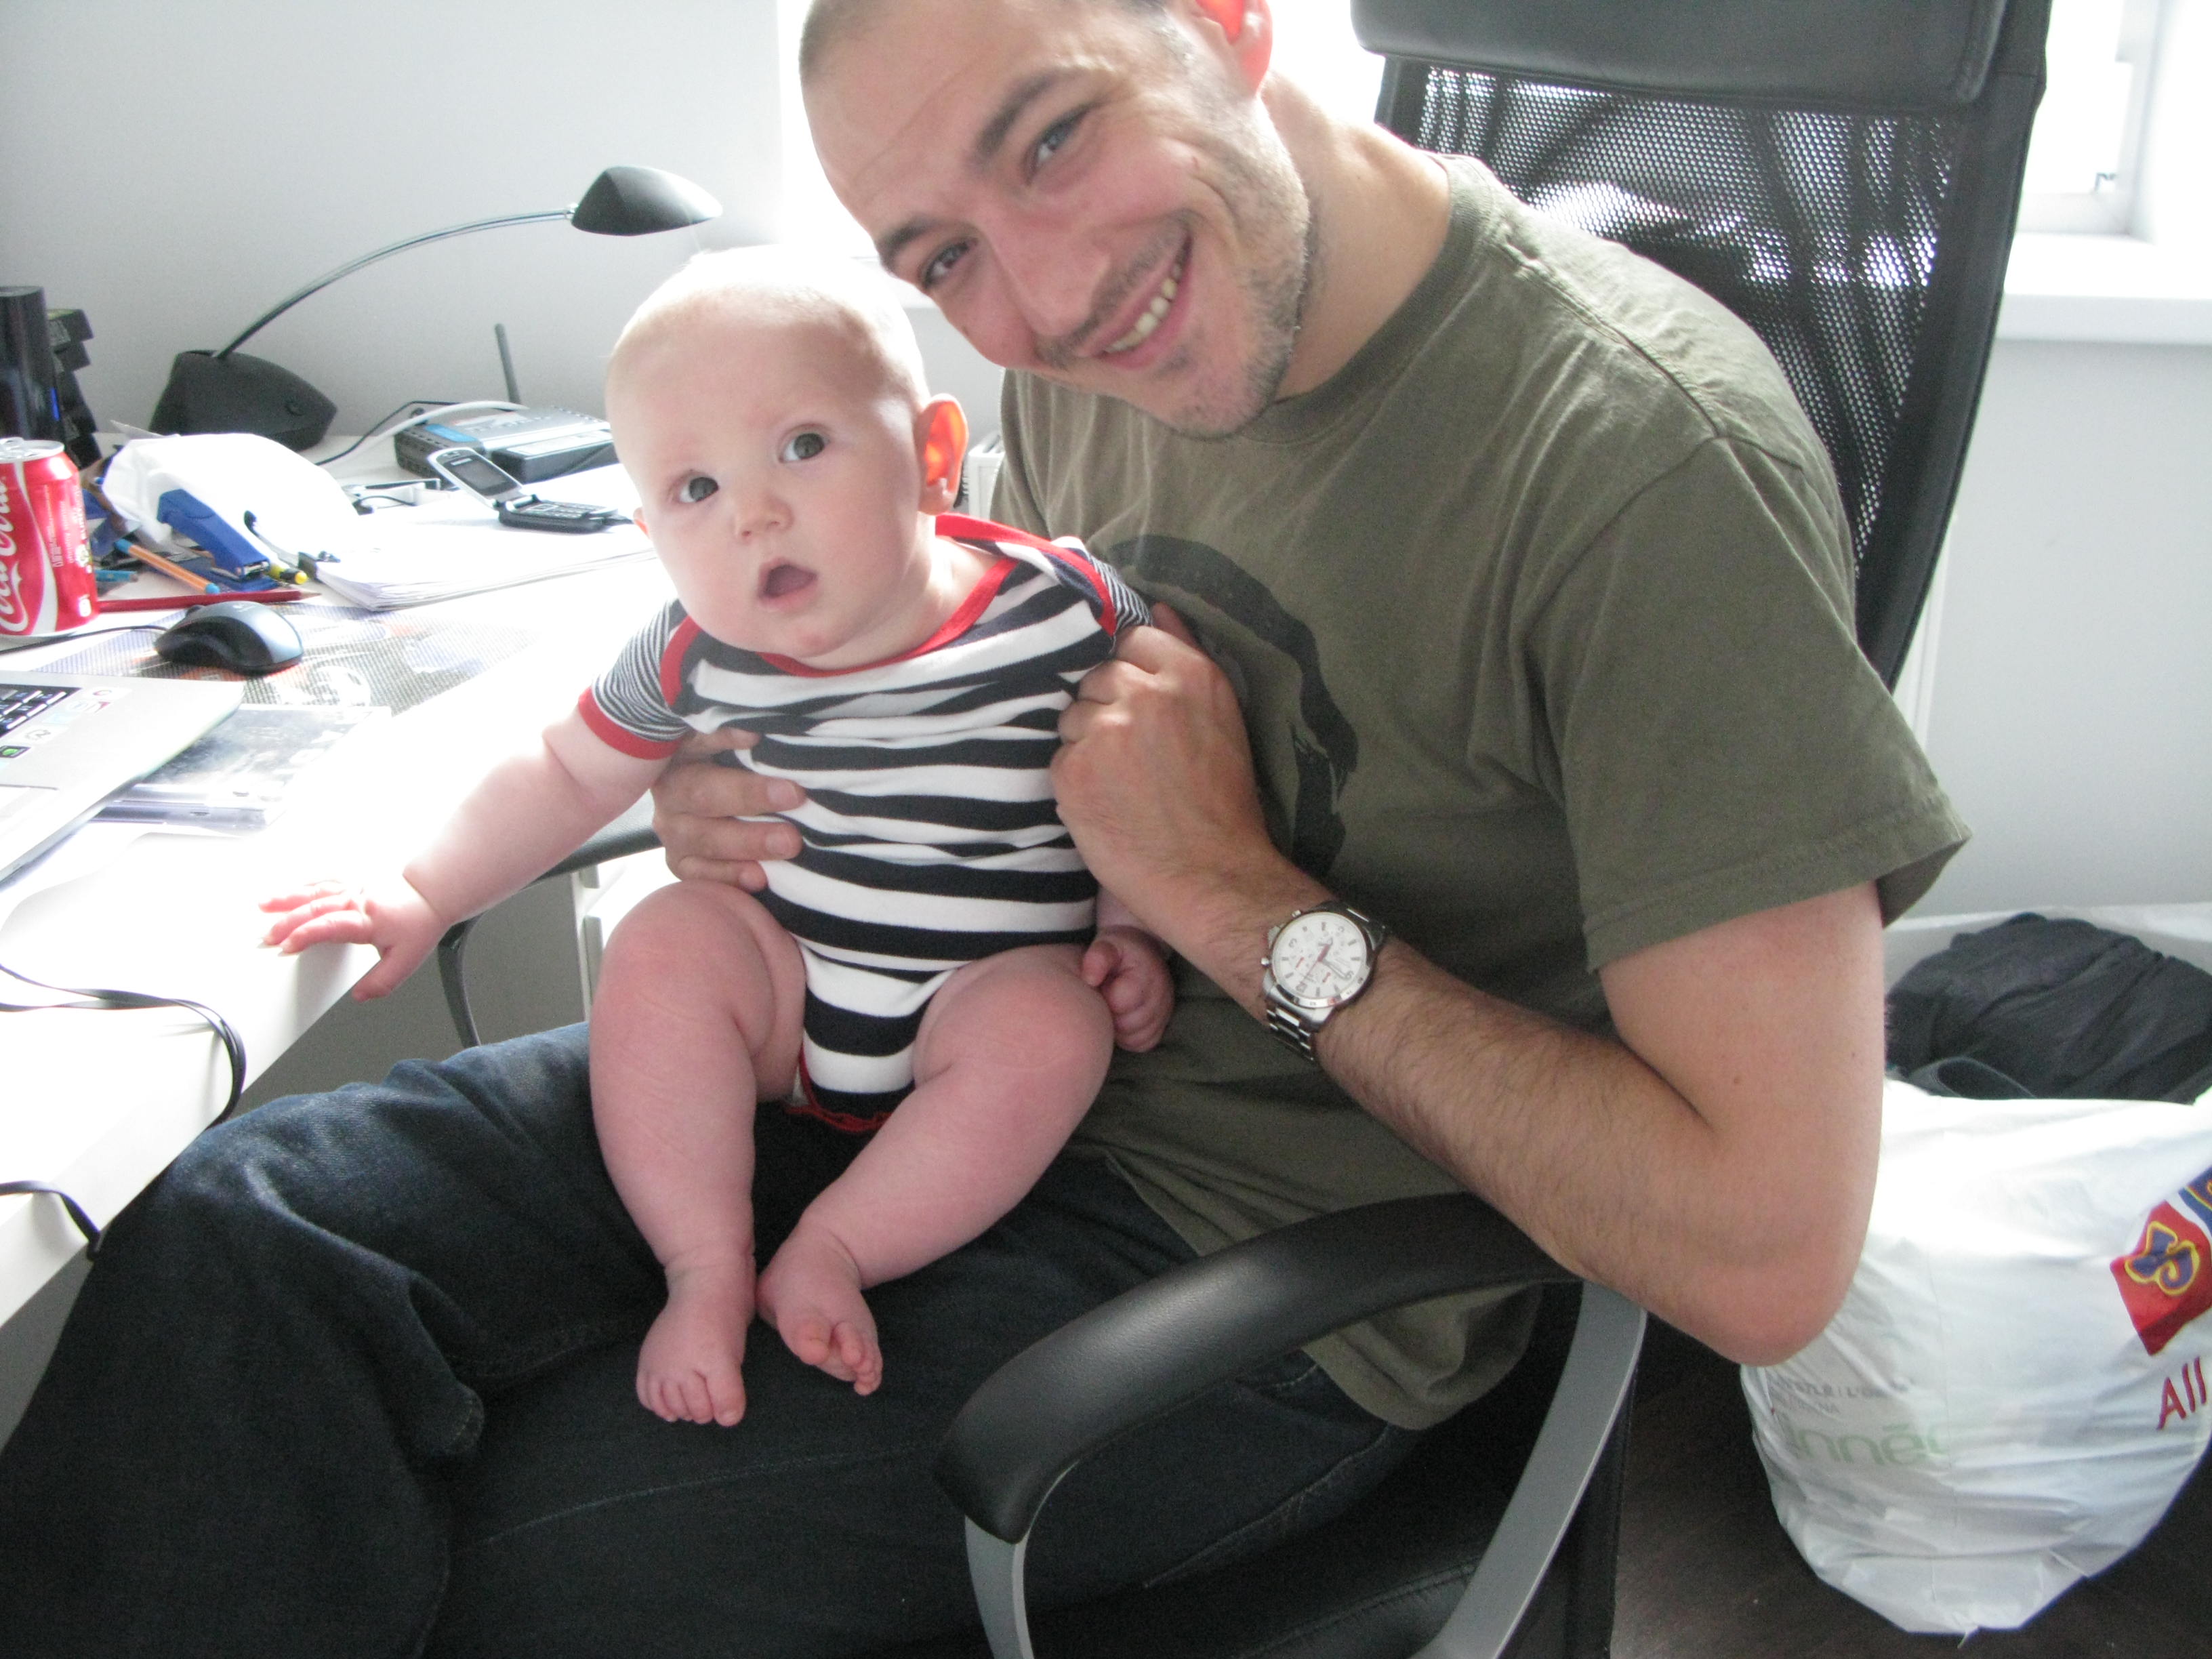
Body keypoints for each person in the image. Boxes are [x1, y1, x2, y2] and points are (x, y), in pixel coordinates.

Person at [0, 1, 1969, 1652]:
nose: (1039, 300)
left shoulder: (1636, 467)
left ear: (1225, 21)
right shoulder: (1113, 343)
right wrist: (737, 774)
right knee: (246, 1243)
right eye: (939, 256)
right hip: (905, 1066)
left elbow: (1767, 1257)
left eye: (1053, 138)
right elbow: (981, 680)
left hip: (1255, 1264)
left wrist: (1228, 897)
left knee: (439, 1544)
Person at [258, 249, 1171, 1425]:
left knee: (1056, 1027)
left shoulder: (1067, 607)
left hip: (980, 998)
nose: (754, 513)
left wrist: (1131, 931)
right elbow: (565, 772)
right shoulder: (696, 650)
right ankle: (702, 1263)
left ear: (932, 452)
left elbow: (1149, 778)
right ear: (653, 531)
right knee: (666, 935)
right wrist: (425, 894)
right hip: (787, 1001)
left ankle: (834, 1250)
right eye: (697, 489)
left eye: (803, 445)